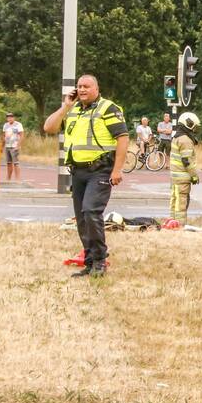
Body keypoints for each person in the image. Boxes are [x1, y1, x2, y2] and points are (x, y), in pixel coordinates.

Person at [43, 75, 128, 278]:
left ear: (96, 89)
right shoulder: (73, 110)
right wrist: (65, 106)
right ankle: (90, 262)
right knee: (81, 218)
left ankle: (100, 260)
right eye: (79, 86)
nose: (82, 89)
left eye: (86, 86)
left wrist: (117, 170)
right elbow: (49, 128)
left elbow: (123, 139)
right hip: (78, 171)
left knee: (91, 212)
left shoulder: (108, 108)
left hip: (100, 170)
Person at [169, 112, 201, 225]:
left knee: (174, 201)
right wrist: (194, 176)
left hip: (175, 176)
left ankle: (172, 223)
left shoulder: (176, 137)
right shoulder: (185, 140)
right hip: (182, 177)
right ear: (188, 124)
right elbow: (187, 161)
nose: (195, 129)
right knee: (181, 203)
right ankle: (179, 225)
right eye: (194, 126)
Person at [1, 112, 25, 181]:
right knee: (8, 163)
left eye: (11, 117)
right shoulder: (5, 125)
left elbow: (22, 135)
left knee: (16, 163)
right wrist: (2, 146)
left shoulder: (18, 125)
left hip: (14, 146)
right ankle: (8, 179)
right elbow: (3, 136)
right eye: (8, 117)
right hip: (7, 146)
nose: (10, 118)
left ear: (14, 118)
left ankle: (17, 179)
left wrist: (18, 145)